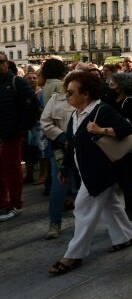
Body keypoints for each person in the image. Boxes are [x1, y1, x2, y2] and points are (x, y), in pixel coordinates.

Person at [48, 72, 132, 275]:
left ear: (86, 94)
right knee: (110, 206)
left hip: (100, 172)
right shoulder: (76, 115)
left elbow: (127, 129)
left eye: (71, 92)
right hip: (86, 171)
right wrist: (65, 168)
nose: (67, 96)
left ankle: (73, 255)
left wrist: (101, 130)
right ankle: (126, 236)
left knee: (82, 208)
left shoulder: (101, 110)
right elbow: (72, 145)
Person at [106, 72, 132, 232]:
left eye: (113, 82)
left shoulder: (130, 101)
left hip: (131, 149)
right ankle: (128, 215)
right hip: (117, 147)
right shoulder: (110, 99)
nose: (110, 84)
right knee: (125, 184)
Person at [39, 72, 77, 239]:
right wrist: (62, 137)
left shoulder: (88, 99)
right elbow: (45, 121)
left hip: (82, 149)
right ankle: (55, 222)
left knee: (82, 186)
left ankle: (84, 222)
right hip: (60, 149)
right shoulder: (56, 99)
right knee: (58, 186)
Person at [0, 52, 36, 222]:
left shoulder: (16, 81)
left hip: (11, 135)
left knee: (12, 170)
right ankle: (2, 203)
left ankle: (15, 204)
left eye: (1, 62)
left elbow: (31, 106)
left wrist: (21, 129)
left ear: (7, 63)